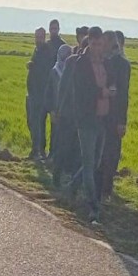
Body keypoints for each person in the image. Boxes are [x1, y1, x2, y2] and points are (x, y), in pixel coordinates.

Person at [67, 27, 113, 224]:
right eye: (93, 44)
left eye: (99, 44)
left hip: (102, 118)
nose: (96, 47)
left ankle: (71, 187)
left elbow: (111, 84)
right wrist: (102, 92)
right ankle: (93, 206)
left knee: (94, 161)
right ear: (89, 43)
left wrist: (110, 91)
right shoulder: (81, 64)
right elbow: (82, 92)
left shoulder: (105, 63)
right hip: (86, 119)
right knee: (88, 163)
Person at [97, 31, 130, 200]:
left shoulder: (122, 64)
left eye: (104, 42)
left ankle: (106, 190)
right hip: (100, 113)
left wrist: (121, 121)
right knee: (99, 151)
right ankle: (98, 187)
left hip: (114, 116)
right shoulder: (103, 60)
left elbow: (123, 94)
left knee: (111, 153)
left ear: (111, 43)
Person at [53, 36, 88, 186]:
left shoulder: (97, 65)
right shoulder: (72, 61)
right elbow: (63, 88)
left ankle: (72, 181)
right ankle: (57, 176)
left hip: (82, 116)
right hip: (68, 113)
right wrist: (59, 109)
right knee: (63, 146)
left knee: (77, 150)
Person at [26, 27, 54, 159]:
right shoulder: (37, 50)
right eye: (36, 37)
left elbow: (45, 72)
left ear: (44, 37)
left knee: (38, 123)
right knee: (33, 122)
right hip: (33, 91)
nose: (38, 39)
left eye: (40, 37)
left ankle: (38, 150)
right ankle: (36, 149)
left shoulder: (46, 51)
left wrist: (33, 66)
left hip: (41, 93)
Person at [44, 44, 73, 160]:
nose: (66, 57)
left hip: (68, 110)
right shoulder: (54, 71)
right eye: (64, 55)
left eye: (68, 55)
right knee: (55, 134)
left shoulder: (72, 70)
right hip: (56, 109)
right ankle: (52, 156)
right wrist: (51, 110)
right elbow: (49, 92)